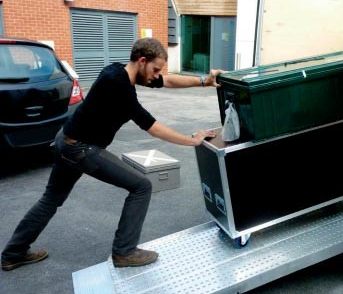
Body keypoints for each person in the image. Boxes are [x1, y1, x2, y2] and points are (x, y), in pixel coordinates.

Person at [1, 37, 220, 271]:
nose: (156, 75)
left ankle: (13, 253)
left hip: (67, 141)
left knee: (51, 199)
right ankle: (124, 252)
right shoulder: (119, 86)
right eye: (155, 69)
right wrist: (192, 140)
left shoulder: (118, 70)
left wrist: (204, 81)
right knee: (141, 186)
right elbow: (152, 127)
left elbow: (167, 81)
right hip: (80, 149)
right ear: (142, 60)